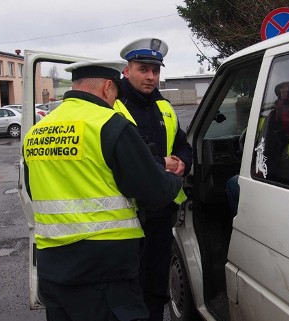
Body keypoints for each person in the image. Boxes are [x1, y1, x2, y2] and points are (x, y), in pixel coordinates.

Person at [22, 60, 182, 321]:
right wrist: (173, 177)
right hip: (104, 271)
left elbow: (33, 190)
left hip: (53, 267)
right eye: (116, 93)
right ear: (109, 88)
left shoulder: (38, 131)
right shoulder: (110, 124)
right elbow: (153, 191)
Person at [114, 38, 193, 321]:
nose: (150, 77)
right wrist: (162, 163)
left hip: (161, 211)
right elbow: (116, 159)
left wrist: (183, 161)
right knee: (129, 287)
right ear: (127, 70)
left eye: (155, 71)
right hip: (126, 217)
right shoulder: (112, 107)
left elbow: (182, 144)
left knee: (157, 285)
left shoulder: (164, 107)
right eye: (143, 69)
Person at [228, 82, 289, 216]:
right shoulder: (257, 125)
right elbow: (245, 150)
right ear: (277, 104)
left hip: (285, 189)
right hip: (256, 180)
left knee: (233, 183)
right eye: (288, 104)